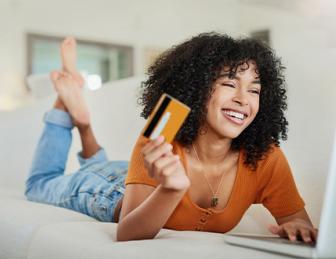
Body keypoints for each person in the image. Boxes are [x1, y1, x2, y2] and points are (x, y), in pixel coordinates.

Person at [25, 33, 317, 244]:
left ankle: (85, 126)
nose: (243, 99)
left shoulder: (265, 156)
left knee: (103, 166)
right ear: (197, 89)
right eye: (229, 84)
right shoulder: (162, 138)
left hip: (134, 175)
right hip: (110, 192)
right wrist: (170, 190)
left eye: (254, 90)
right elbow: (128, 233)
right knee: (39, 184)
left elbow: (297, 220)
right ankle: (65, 107)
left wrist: (298, 228)